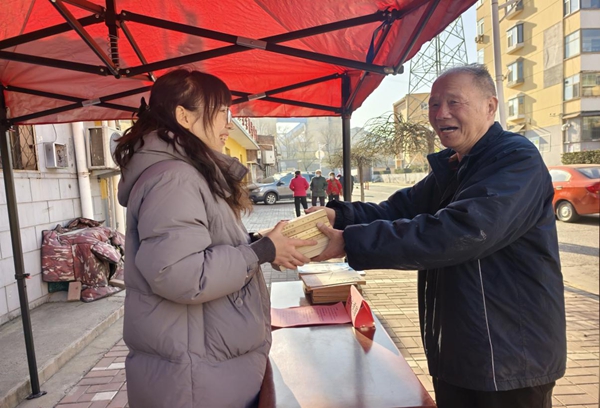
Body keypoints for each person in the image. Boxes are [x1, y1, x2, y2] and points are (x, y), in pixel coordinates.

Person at [309, 65, 566, 408]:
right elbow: (399, 208)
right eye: (433, 104)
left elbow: (460, 231)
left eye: (454, 102)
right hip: (462, 349)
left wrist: (350, 241)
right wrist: (340, 216)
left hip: (509, 357)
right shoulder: (456, 165)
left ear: (490, 106)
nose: (441, 113)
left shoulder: (514, 159)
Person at [114, 69, 315, 408]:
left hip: (204, 366)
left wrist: (259, 242)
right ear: (184, 117)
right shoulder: (175, 179)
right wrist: (261, 251)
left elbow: (199, 245)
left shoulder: (184, 173)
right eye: (221, 112)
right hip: (198, 380)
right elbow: (179, 274)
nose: (228, 124)